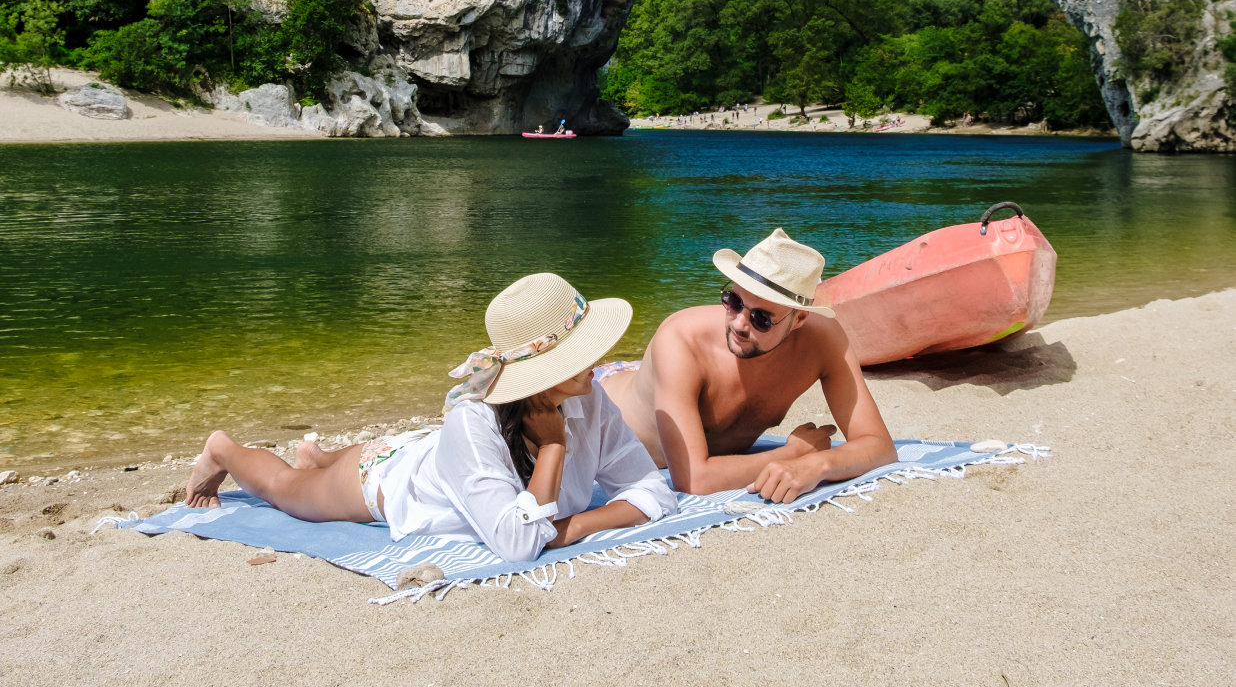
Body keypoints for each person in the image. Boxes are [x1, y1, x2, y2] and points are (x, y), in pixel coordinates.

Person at [183, 273, 676, 566]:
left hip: (439, 456)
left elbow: (654, 491)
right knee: (286, 490)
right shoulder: (472, 423)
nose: (601, 361)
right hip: (390, 481)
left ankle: (320, 454)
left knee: (373, 457)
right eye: (580, 352)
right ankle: (223, 448)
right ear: (542, 375)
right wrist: (553, 448)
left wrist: (569, 526)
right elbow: (520, 545)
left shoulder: (589, 400)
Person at [600, 228, 895, 502]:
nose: (740, 324)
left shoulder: (823, 341)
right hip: (600, 410)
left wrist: (818, 465)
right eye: (733, 301)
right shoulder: (681, 340)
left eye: (761, 319)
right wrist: (791, 453)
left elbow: (879, 446)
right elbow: (693, 480)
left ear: (800, 320)